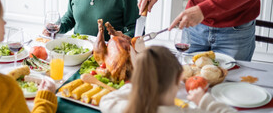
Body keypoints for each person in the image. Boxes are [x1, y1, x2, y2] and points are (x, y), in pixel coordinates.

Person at [99, 46, 237, 113]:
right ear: (178, 79)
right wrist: (205, 101)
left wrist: (140, 85)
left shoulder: (122, 108)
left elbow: (106, 100)